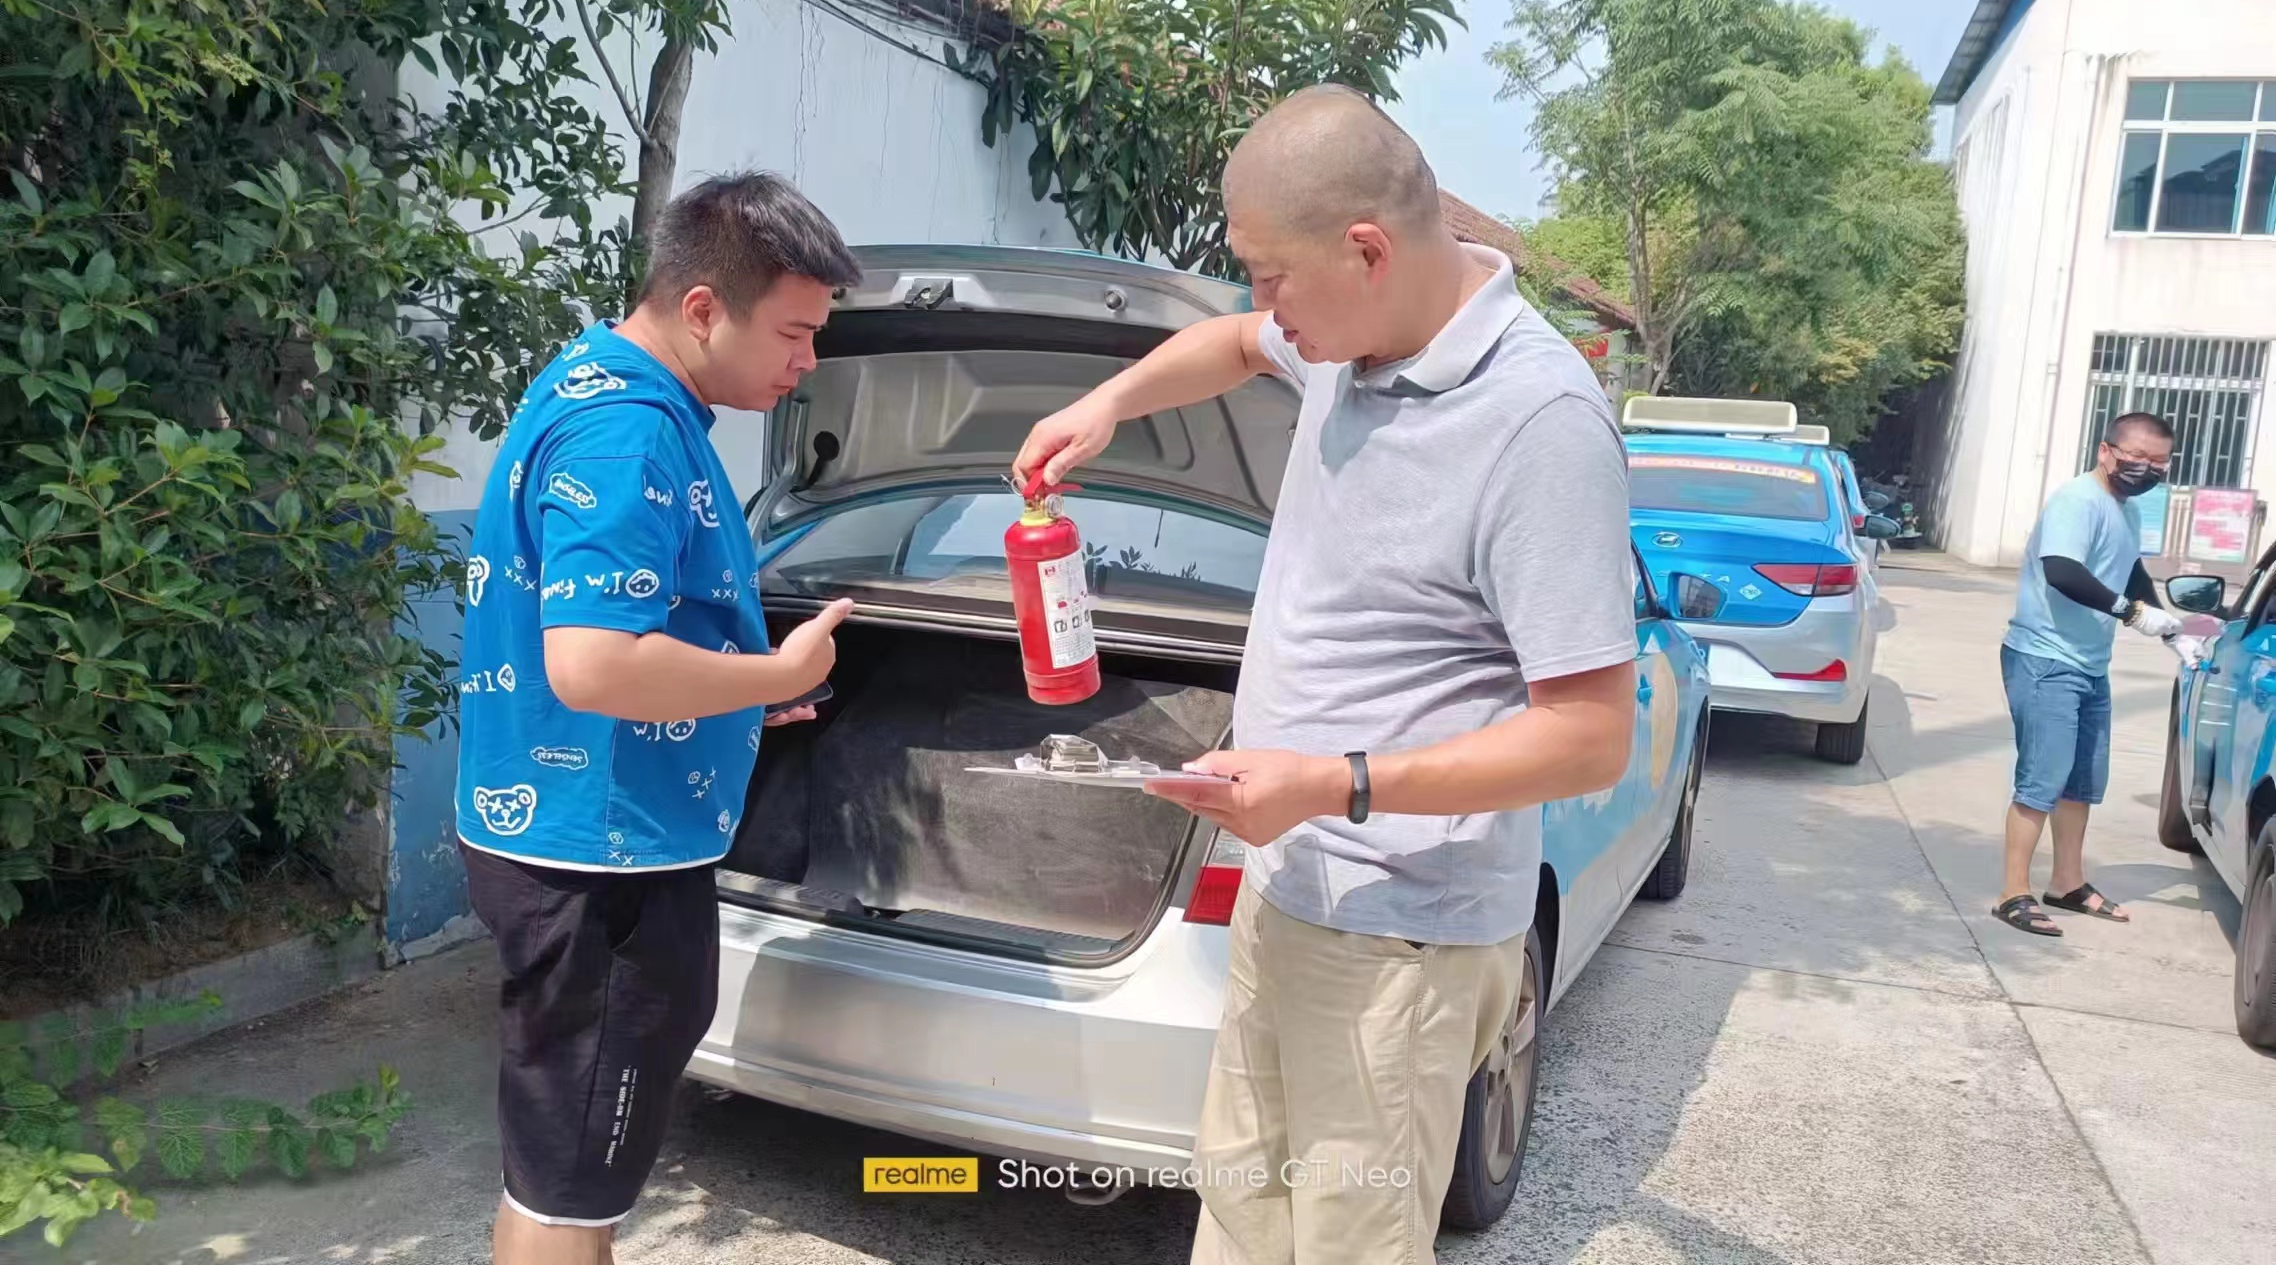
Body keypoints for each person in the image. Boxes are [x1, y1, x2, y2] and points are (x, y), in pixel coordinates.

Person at [1012, 84, 1638, 1265]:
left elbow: (1588, 734)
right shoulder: (1346, 340)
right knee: (1243, 1210)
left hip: (1403, 936)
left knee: (1347, 1239)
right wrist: (1105, 404)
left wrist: (1334, 782)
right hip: (1289, 886)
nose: (1263, 307)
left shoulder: (1538, 421)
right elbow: (1227, 344)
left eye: (1271, 276)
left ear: (1365, 249)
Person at [453, 171, 861, 1265]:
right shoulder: (628, 435)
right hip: (602, 865)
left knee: (557, 1172)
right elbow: (594, 664)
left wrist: (731, 701)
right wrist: (770, 674)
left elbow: (630, 632)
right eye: (793, 333)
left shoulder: (599, 378)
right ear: (702, 309)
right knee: (570, 1189)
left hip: (574, 829)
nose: (807, 363)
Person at [1993, 411, 2196, 937]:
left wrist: (2169, 627)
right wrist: (2131, 613)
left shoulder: (2125, 510)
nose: (2147, 468)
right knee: (2042, 778)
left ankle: (2067, 882)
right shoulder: (2077, 500)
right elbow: (2062, 570)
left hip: (2088, 663)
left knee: (2080, 781)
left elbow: (2130, 572)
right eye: (2137, 456)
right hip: (2044, 658)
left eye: (2159, 462)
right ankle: (2013, 893)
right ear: (2106, 451)